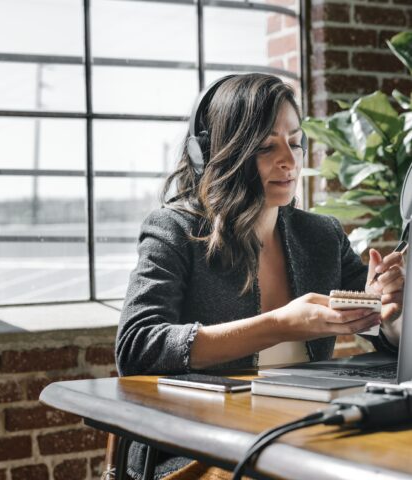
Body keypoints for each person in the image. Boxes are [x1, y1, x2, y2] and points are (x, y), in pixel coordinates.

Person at [115, 73, 404, 479]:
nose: (289, 159)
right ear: (218, 153)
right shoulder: (174, 231)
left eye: (296, 142)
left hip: (302, 438)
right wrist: (279, 324)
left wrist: (389, 312)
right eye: (267, 147)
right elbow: (137, 347)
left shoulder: (320, 234)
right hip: (202, 449)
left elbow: (383, 335)